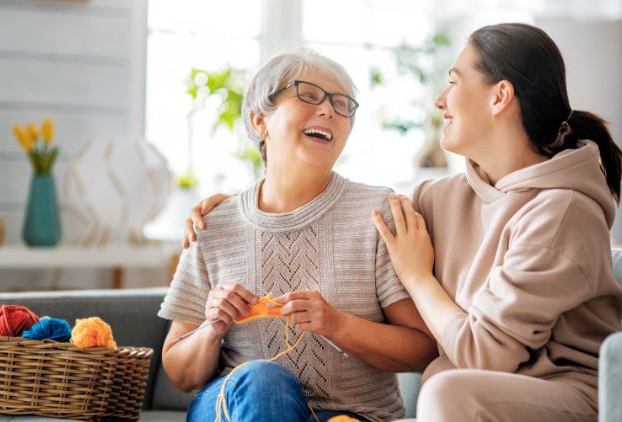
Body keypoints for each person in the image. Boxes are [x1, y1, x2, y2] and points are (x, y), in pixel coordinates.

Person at [185, 23, 622, 421]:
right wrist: (245, 207)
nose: (440, 100)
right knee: (443, 392)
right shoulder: (440, 197)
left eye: (453, 82)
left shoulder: (563, 211)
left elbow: (484, 354)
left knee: (445, 392)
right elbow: (350, 212)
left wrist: (417, 277)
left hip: (555, 394)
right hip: (462, 393)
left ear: (499, 96)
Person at [160, 48, 437, 422]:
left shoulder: (375, 213)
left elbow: (422, 348)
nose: (329, 111)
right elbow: (179, 372)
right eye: (309, 95)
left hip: (348, 413)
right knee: (262, 379)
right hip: (241, 404)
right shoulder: (215, 224)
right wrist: (213, 327)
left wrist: (337, 324)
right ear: (260, 121)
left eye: (342, 104)